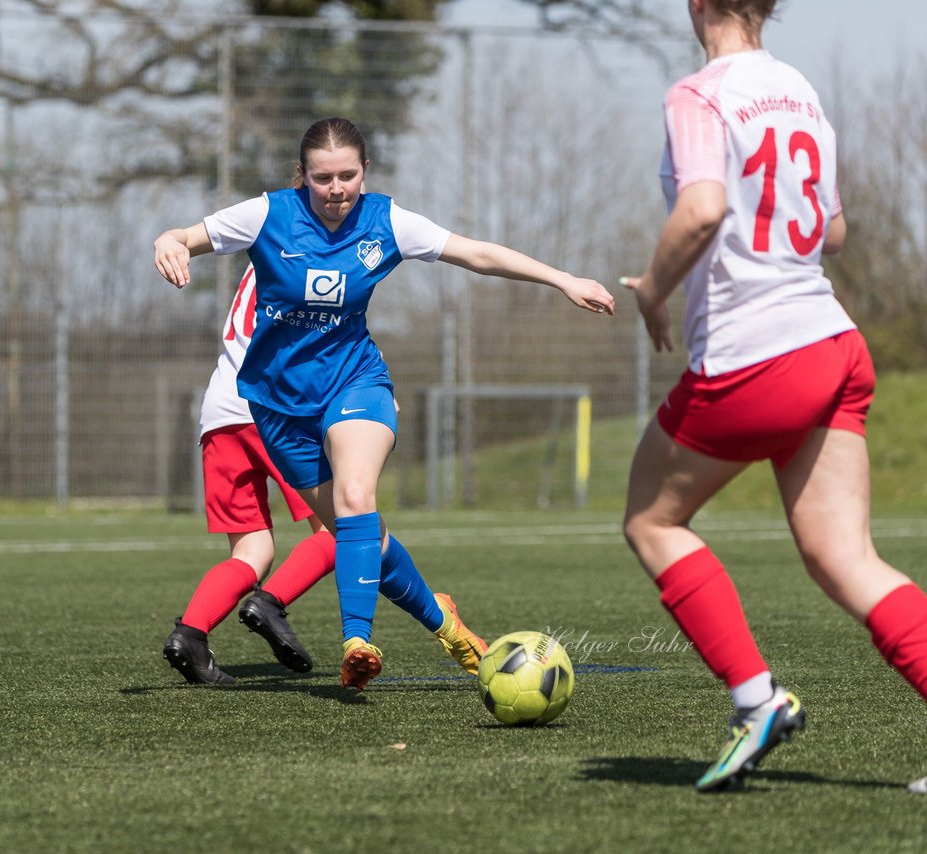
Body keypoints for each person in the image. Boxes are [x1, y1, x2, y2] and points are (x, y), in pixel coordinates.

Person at [155, 117, 615, 691]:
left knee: (355, 495)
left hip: (355, 382)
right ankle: (444, 623)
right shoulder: (267, 214)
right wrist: (168, 242)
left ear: (365, 172)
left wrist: (561, 278)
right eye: (323, 178)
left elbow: (473, 253)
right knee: (364, 537)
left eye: (348, 175)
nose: (337, 188)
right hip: (276, 405)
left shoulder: (387, 221)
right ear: (302, 177)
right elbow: (183, 235)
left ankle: (356, 639)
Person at [621, 0, 927, 794]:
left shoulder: (699, 93)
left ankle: (755, 701)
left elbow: (704, 209)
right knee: (846, 558)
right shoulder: (799, 89)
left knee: (652, 520)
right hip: (833, 342)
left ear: (698, 5)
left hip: (757, 355)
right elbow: (833, 230)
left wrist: (654, 292)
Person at [164, 262, 340, 686]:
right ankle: (270, 603)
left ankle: (190, 634)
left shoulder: (266, 242)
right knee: (342, 529)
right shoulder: (319, 249)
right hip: (275, 408)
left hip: (221, 412)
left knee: (252, 552)